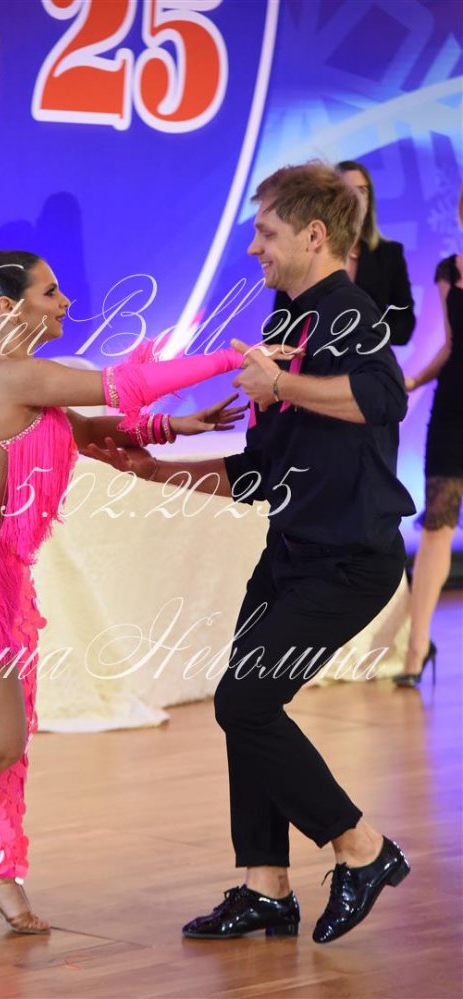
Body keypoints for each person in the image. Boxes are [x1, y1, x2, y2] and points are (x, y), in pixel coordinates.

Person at [0, 250, 264, 931]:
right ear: (9, 306)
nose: (64, 302)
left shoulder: (27, 379)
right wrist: (231, 357)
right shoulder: (10, 375)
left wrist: (175, 427)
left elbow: (85, 430)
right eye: (50, 291)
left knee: (8, 736)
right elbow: (126, 384)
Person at [88, 163, 416, 944]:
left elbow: (386, 398)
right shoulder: (290, 321)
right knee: (247, 705)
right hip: (291, 551)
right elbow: (261, 471)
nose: (253, 248)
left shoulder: (349, 312)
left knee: (244, 701)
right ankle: (266, 885)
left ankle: (361, 847)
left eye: (266, 232)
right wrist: (155, 471)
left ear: (314, 234)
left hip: (350, 561)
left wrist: (283, 385)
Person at [396, 220, 463, 686]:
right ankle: (416, 648)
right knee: (438, 524)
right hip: (453, 408)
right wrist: (416, 380)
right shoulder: (448, 270)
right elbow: (453, 344)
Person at [272, 159, 415, 347]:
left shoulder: (390, 254)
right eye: (346, 190)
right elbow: (280, 325)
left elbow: (404, 325)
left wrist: (364, 329)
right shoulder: (304, 249)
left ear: (370, 199)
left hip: (366, 358)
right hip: (311, 358)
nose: (355, 197)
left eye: (362, 190)